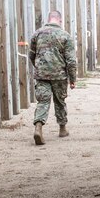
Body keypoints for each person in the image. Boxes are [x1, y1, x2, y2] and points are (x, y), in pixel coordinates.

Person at [28, 10, 77, 146]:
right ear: (60, 20)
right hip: (59, 75)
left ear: (49, 19)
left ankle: (38, 127)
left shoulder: (37, 34)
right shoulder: (65, 36)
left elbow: (31, 55)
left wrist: (39, 68)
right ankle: (62, 129)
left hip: (42, 75)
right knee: (60, 101)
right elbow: (71, 61)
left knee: (43, 102)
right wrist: (72, 79)